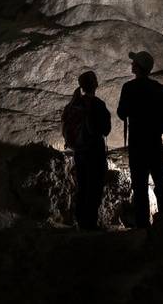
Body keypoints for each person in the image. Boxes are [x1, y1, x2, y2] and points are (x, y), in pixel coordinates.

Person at [116, 50, 163, 229]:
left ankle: (142, 225)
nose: (131, 65)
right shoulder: (162, 90)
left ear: (138, 67)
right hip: (154, 141)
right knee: (161, 183)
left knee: (139, 186)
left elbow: (121, 113)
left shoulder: (129, 88)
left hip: (137, 142)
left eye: (134, 63)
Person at [60, 70, 111, 230]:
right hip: (94, 149)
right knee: (94, 185)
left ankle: (81, 220)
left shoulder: (73, 104)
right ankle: (90, 222)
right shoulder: (98, 104)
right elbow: (106, 129)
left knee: (82, 185)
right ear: (95, 84)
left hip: (79, 150)